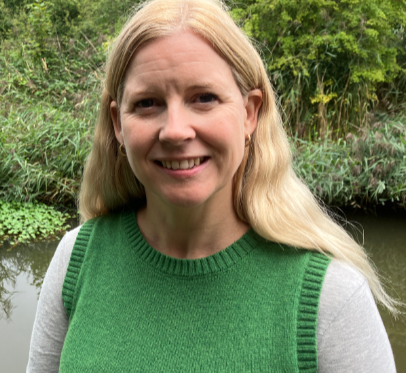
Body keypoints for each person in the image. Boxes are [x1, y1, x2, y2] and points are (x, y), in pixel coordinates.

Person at [27, 0, 398, 371]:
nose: (175, 130)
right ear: (118, 124)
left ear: (249, 112)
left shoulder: (330, 299)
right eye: (147, 103)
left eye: (204, 98)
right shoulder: (76, 261)